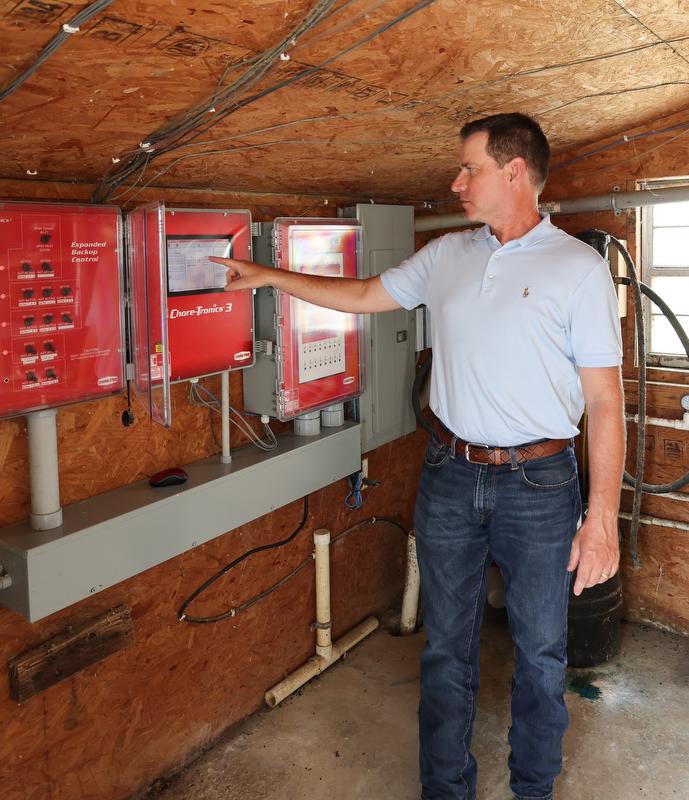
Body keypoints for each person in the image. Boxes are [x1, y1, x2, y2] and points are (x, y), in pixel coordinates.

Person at [210, 112, 625, 800]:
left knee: (543, 654)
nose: (455, 181)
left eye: (470, 168)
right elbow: (369, 295)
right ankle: (446, 790)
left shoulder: (576, 270)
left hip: (541, 486)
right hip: (449, 476)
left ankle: (532, 789)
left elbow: (605, 402)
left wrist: (601, 516)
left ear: (514, 172)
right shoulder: (449, 255)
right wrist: (266, 277)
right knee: (445, 651)